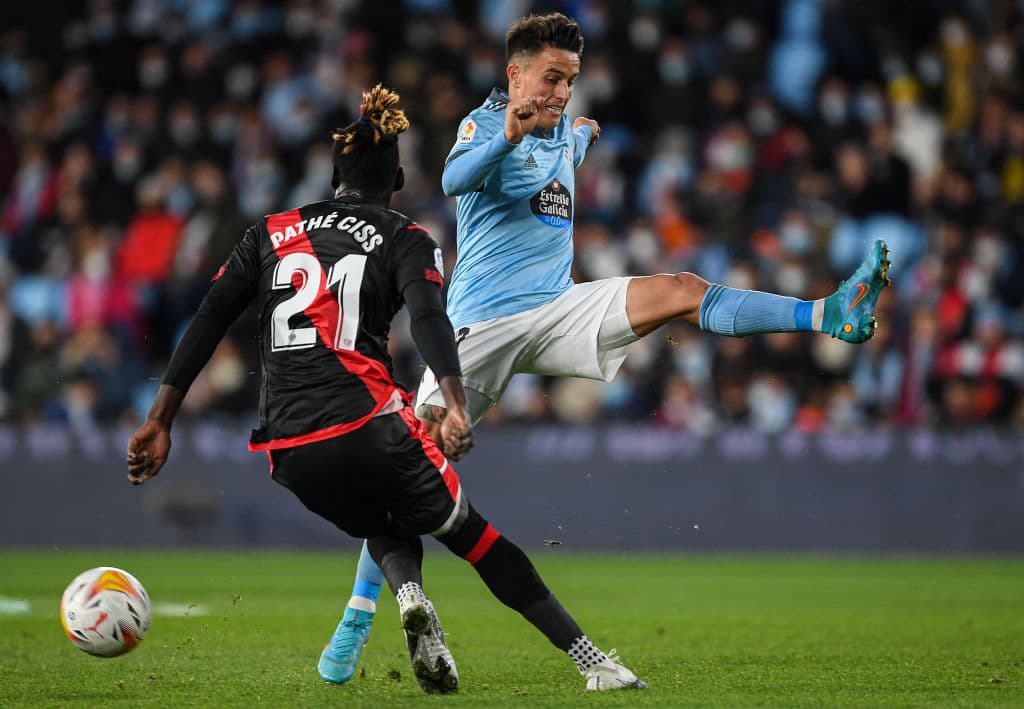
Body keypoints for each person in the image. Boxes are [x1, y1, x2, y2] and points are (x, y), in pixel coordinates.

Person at [326, 12, 892, 684]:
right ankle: (358, 618)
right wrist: (511, 129)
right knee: (410, 470)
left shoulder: (566, 129)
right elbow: (454, 178)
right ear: (515, 75)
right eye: (551, 77)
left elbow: (562, 154)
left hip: (559, 306)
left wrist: (580, 136)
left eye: (570, 80)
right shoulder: (485, 122)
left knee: (682, 286)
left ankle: (828, 313)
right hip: (481, 328)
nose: (562, 92)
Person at [125, 85, 646, 694]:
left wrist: (161, 418)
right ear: (397, 177)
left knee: (383, 514)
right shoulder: (407, 236)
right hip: (370, 421)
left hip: (286, 446)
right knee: (473, 536)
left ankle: (408, 596)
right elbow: (429, 320)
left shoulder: (267, 233)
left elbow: (209, 319)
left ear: (331, 175)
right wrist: (454, 402)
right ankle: (593, 663)